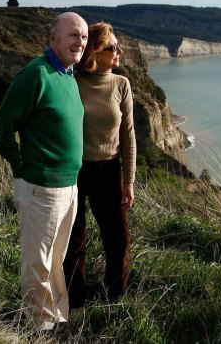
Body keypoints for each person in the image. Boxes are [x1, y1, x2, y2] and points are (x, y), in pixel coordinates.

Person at [0, 12, 88, 331]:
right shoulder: (36, 74)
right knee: (37, 263)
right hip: (41, 187)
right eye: (73, 35)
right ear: (53, 38)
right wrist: (20, 170)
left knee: (55, 260)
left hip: (69, 187)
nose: (80, 42)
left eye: (84, 37)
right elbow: (4, 125)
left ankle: (56, 316)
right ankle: (38, 327)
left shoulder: (68, 76)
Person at [63, 22, 136, 309]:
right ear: (95, 52)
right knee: (74, 240)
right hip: (74, 170)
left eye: (118, 46)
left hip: (109, 170)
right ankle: (75, 301)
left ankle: (115, 300)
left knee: (118, 240)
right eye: (112, 47)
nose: (119, 51)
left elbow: (128, 135)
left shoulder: (121, 84)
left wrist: (128, 180)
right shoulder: (70, 81)